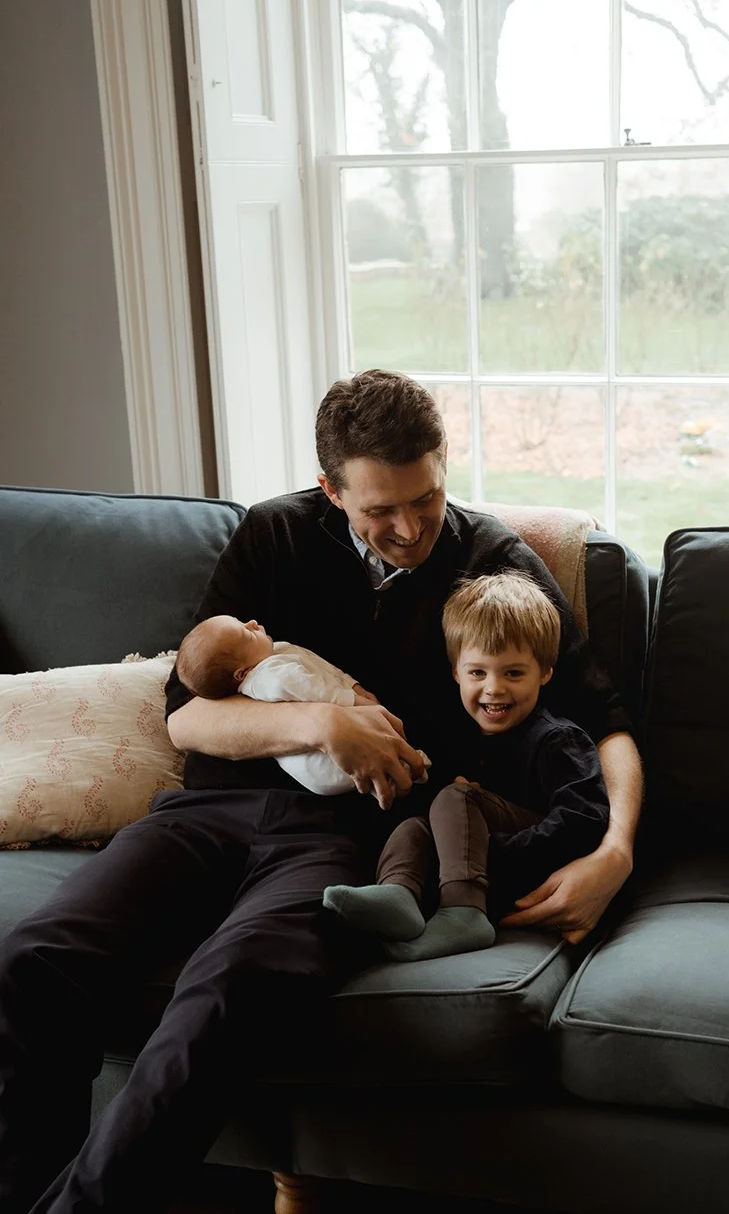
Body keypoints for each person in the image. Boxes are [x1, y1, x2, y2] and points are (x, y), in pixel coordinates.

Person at [0, 369, 642, 1214]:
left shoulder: (492, 564)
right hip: (205, 813)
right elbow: (186, 718)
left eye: (426, 497)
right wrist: (320, 723)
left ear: (443, 464)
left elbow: (606, 722)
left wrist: (615, 851)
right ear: (330, 489)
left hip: (349, 840)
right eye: (381, 509)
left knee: (227, 992)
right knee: (34, 960)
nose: (409, 527)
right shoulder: (274, 533)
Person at [324, 572, 610, 961]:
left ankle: (464, 911)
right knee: (415, 825)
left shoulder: (558, 739)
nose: (494, 688)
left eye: (513, 673)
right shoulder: (456, 738)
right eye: (478, 672)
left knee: (458, 797)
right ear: (456, 672)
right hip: (469, 867)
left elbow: (585, 819)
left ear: (545, 671)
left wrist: (489, 849)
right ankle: (399, 893)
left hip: (530, 868)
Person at [176, 613, 406, 795]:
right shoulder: (271, 676)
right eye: (247, 634)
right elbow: (315, 689)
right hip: (318, 767)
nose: (252, 622)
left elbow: (324, 669)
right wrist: (352, 700)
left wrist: (353, 685)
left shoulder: (275, 653)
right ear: (241, 673)